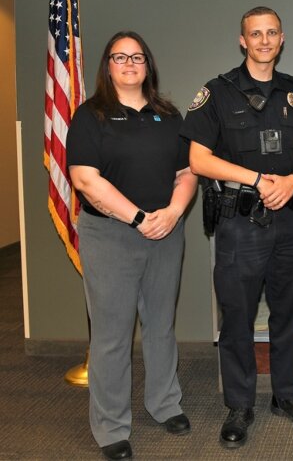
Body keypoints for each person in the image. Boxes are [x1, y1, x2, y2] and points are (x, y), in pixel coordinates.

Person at [180, 7, 293, 449]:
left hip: (289, 221)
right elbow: (198, 160)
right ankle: (240, 405)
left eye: (271, 33)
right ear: (242, 40)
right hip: (239, 222)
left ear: (282, 39)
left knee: (288, 314)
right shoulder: (217, 92)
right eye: (255, 34)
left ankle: (287, 396)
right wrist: (260, 181)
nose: (264, 40)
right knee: (238, 317)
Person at [67, 31, 198, 460]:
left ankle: (164, 404)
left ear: (148, 65)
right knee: (112, 335)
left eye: (137, 56)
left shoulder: (169, 115)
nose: (129, 64)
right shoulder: (90, 116)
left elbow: (187, 173)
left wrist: (173, 213)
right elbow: (86, 180)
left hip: (165, 231)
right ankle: (110, 427)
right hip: (111, 235)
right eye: (119, 57)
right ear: (108, 66)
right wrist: (139, 218)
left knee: (161, 324)